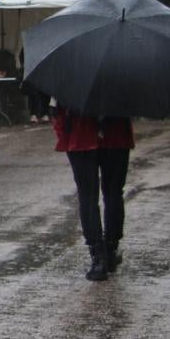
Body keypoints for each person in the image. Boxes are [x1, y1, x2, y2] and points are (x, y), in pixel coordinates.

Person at [52, 103, 133, 281]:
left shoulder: (69, 75)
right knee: (113, 193)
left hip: (81, 134)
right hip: (116, 132)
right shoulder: (121, 74)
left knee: (88, 196)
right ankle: (110, 249)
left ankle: (98, 256)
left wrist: (61, 128)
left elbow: (58, 105)